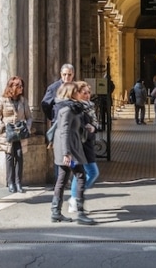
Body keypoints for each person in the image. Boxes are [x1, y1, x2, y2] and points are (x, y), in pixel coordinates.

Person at [49, 82, 95, 225]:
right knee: (81, 175)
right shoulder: (67, 110)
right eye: (76, 91)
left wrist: (85, 126)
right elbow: (64, 131)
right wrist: (66, 153)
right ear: (71, 93)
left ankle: (56, 212)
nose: (79, 93)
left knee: (62, 178)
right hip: (70, 151)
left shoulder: (73, 108)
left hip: (69, 149)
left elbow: (73, 127)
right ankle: (80, 213)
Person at [0, 75, 32, 194]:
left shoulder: (23, 101)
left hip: (19, 133)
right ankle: (10, 183)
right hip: (8, 134)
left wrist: (27, 128)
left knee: (19, 156)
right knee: (9, 156)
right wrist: (1, 126)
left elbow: (29, 117)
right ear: (12, 87)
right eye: (19, 86)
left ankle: (18, 182)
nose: (21, 88)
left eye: (22, 86)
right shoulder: (3, 100)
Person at [67, 82, 100, 214]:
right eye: (84, 93)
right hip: (78, 144)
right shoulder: (76, 107)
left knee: (91, 173)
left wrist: (94, 127)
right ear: (77, 94)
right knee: (83, 172)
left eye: (88, 92)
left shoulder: (90, 106)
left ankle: (76, 196)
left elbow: (95, 123)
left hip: (88, 142)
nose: (87, 95)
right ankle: (75, 198)